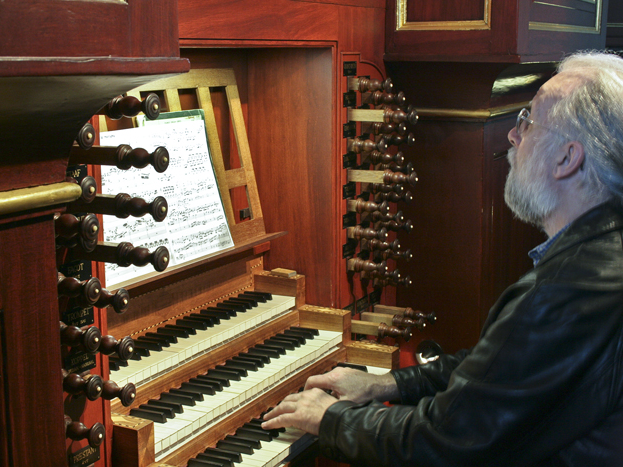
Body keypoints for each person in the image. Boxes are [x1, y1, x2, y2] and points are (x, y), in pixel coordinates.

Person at [261, 51, 623, 466]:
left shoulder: (567, 292)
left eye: (528, 121)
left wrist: (331, 418)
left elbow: (445, 440)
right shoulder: (596, 258)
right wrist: (386, 384)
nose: (512, 135)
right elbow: (497, 373)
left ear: (566, 159)